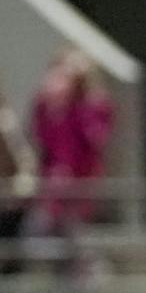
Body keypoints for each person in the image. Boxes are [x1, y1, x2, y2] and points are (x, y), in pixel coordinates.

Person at [29, 49, 114, 235]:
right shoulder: (46, 104)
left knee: (76, 236)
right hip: (53, 181)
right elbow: (41, 138)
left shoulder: (96, 104)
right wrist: (54, 106)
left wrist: (81, 107)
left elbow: (96, 140)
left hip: (83, 180)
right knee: (38, 231)